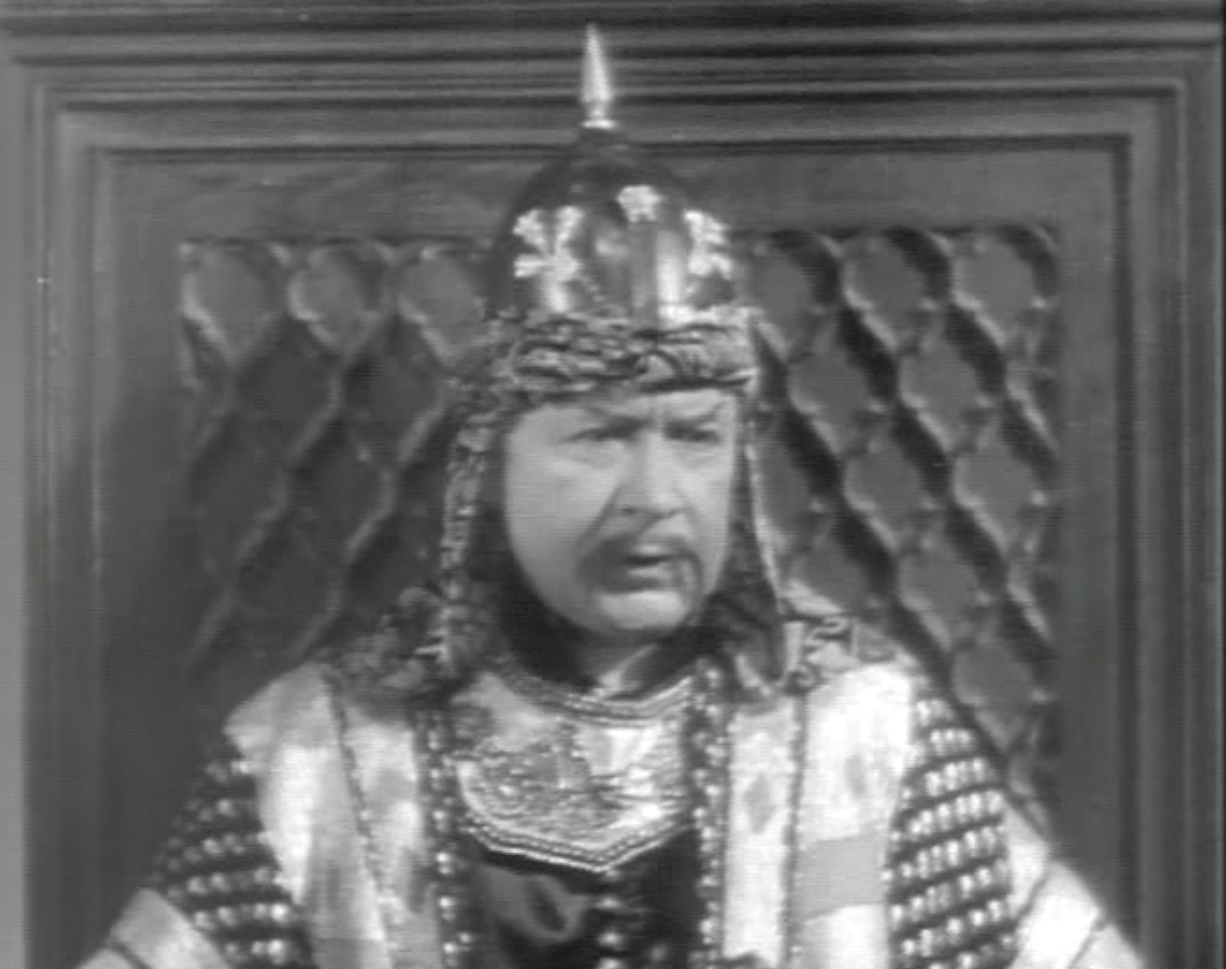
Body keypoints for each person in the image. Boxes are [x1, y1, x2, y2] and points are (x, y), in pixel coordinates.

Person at [79, 28, 1140, 969]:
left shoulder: (868, 733)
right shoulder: (317, 751)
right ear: (489, 464)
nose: (655, 497)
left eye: (694, 437)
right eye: (598, 436)